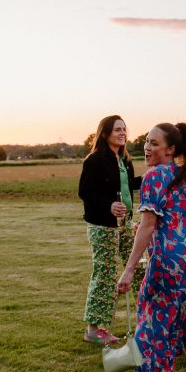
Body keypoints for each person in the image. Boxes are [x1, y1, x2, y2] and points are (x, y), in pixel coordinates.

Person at [116, 123, 186, 372]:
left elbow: (147, 226)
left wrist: (129, 270)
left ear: (171, 150)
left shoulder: (155, 176)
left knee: (149, 319)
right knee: (185, 312)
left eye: (154, 143)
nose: (147, 147)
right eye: (146, 141)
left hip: (171, 259)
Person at [78, 115, 140, 345]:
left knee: (140, 268)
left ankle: (149, 320)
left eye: (124, 129)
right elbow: (84, 191)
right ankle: (93, 329)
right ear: (105, 134)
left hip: (126, 224)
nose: (123, 133)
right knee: (104, 274)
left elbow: (129, 185)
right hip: (102, 226)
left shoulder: (124, 159)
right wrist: (109, 205)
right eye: (117, 130)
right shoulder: (95, 160)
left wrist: (156, 176)